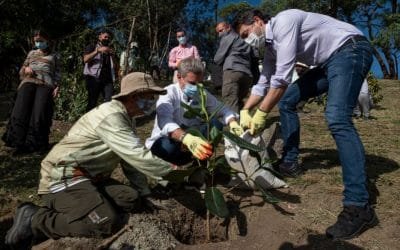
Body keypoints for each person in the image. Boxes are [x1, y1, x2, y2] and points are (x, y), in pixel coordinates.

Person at [234, 9, 376, 240]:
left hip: (351, 49)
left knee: (337, 118)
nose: (247, 40)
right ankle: (290, 163)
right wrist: (245, 109)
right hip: (328, 61)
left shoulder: (284, 21)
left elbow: (281, 79)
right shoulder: (270, 48)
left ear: (258, 21)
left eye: (245, 33)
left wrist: (261, 113)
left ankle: (359, 206)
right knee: (289, 101)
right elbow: (263, 83)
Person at [5, 72, 175, 249]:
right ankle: (35, 219)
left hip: (90, 177)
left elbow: (130, 161)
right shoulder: (111, 116)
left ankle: (85, 204)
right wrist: (177, 175)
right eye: (148, 97)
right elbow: (137, 154)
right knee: (104, 221)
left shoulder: (126, 119)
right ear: (133, 97)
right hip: (62, 176)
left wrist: (145, 192)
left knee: (130, 198)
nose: (151, 102)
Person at [145, 57, 243, 166]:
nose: (196, 87)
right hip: (168, 141)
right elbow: (165, 121)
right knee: (167, 146)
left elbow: (222, 110)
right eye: (192, 83)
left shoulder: (202, 93)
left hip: (193, 139)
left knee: (216, 123)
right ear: (179, 77)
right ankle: (171, 165)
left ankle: (200, 165)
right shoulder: (169, 93)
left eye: (200, 83)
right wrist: (186, 138)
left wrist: (232, 122)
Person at [2, 29, 60, 153]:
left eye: (41, 41)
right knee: (21, 110)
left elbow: (57, 73)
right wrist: (26, 68)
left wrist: (57, 86)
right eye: (36, 41)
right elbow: (22, 68)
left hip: (46, 84)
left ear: (47, 40)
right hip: (29, 81)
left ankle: (36, 144)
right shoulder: (31, 53)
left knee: (40, 112)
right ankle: (18, 143)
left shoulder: (54, 56)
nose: (38, 43)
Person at [214, 22, 258, 113]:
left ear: (229, 27)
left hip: (232, 71)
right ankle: (243, 123)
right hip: (247, 75)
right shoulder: (247, 41)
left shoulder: (228, 37)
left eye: (221, 30)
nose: (220, 34)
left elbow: (217, 59)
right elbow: (255, 56)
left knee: (230, 102)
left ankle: (234, 126)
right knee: (238, 101)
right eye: (218, 32)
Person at [83, 29, 118, 111]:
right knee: (92, 102)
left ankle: (106, 121)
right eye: (105, 37)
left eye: (108, 38)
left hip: (107, 79)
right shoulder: (92, 46)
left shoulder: (110, 49)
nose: (107, 39)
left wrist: (112, 55)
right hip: (93, 78)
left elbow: (116, 66)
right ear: (99, 37)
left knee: (110, 101)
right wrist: (97, 51)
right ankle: (89, 121)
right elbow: (85, 59)